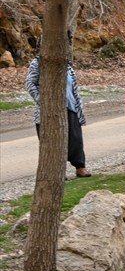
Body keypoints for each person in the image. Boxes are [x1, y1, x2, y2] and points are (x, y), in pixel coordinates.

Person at [26, 45, 91, 178]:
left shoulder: (66, 63)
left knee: (75, 140)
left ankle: (80, 167)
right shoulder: (38, 63)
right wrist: (43, 101)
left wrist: (78, 108)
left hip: (71, 108)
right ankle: (56, 172)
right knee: (52, 143)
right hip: (49, 110)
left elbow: (73, 88)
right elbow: (30, 83)